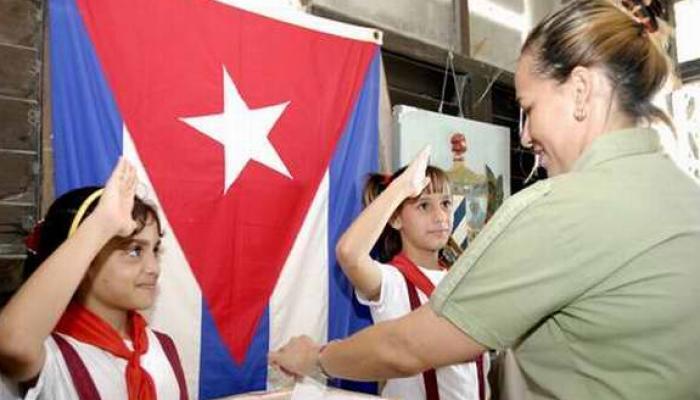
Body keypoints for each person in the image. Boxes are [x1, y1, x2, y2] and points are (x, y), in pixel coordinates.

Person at [268, 1, 700, 399]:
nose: (526, 135)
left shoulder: (558, 210)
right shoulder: (685, 196)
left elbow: (408, 347)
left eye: (528, 107)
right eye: (424, 204)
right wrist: (399, 188)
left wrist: (316, 358)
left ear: (582, 91)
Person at [0, 158, 188, 400]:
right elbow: (12, 341)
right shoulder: (50, 355)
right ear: (85, 260)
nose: (153, 268)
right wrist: (102, 224)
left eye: (155, 250)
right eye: (134, 251)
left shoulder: (161, 347)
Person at [334, 147, 488, 400]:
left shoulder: (463, 281)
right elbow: (349, 254)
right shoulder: (390, 281)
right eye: (424, 206)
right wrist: (403, 187)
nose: (440, 217)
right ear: (396, 220)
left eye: (446, 204)